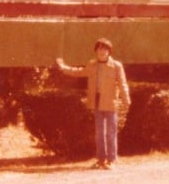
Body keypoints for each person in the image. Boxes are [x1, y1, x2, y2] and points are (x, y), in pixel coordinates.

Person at [56, 38, 131, 169]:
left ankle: (112, 160)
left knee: (111, 132)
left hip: (110, 102)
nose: (102, 51)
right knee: (99, 133)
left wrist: (126, 99)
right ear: (96, 51)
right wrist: (64, 68)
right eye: (100, 49)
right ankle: (101, 159)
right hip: (97, 103)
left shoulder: (117, 66)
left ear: (109, 51)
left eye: (105, 49)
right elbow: (78, 72)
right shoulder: (92, 64)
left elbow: (123, 83)